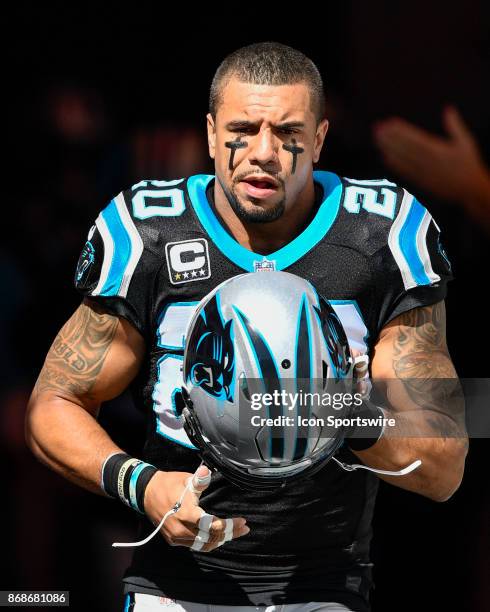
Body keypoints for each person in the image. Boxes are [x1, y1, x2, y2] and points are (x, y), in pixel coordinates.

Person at [26, 42, 467, 612]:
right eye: (242, 128)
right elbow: (53, 401)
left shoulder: (381, 237)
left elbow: (447, 460)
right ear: (210, 134)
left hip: (324, 583)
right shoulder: (150, 235)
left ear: (321, 139)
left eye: (288, 133)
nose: (263, 152)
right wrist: (141, 483)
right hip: (173, 584)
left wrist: (343, 412)